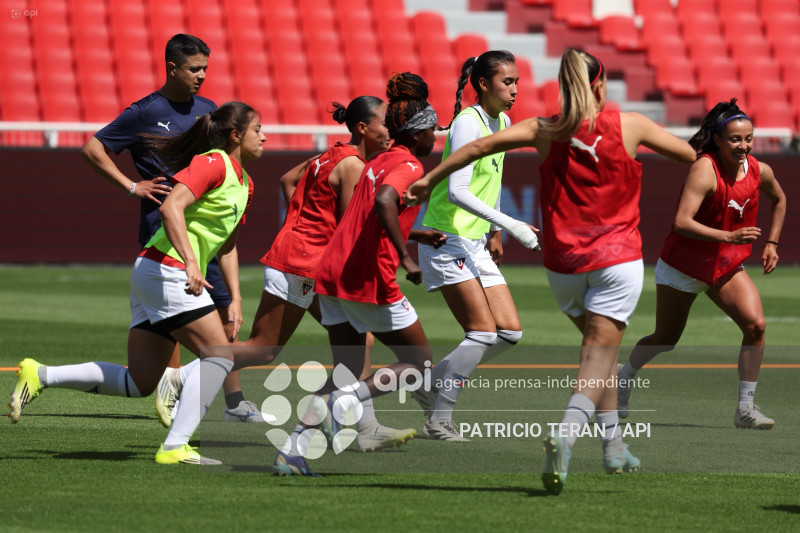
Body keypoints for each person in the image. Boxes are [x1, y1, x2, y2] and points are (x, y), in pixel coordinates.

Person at [405, 49, 697, 494]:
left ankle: (614, 444)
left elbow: (480, 150)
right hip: (614, 257)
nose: (516, 87)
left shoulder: (542, 127)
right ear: (600, 85)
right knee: (599, 355)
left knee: (595, 351)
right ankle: (568, 436)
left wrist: (430, 180)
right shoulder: (630, 123)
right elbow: (690, 155)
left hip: (563, 264)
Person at [10, 102, 265, 465]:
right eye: (258, 129)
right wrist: (192, 262)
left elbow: (227, 245)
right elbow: (170, 208)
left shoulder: (246, 183)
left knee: (141, 382)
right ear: (237, 136)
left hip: (155, 272)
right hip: (168, 270)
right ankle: (175, 445)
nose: (265, 136)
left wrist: (236, 297)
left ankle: (40, 374)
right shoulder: (212, 162)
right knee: (219, 356)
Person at [273, 72, 446, 476]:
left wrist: (415, 231)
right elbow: (387, 199)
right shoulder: (406, 162)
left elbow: (366, 211)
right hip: (368, 278)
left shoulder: (377, 160)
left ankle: (292, 451)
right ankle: (341, 405)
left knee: (347, 372)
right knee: (418, 366)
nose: (435, 139)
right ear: (416, 135)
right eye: (432, 132)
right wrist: (407, 256)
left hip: (330, 274)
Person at [164, 97, 391, 403]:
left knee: (341, 343)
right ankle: (182, 376)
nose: (392, 130)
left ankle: (358, 425)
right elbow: (353, 231)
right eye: (386, 122)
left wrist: (299, 224)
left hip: (302, 260)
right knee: (267, 347)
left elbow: (288, 180)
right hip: (304, 266)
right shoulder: (353, 165)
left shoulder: (332, 154)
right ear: (363, 128)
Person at [81, 33, 258, 425]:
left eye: (206, 69)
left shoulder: (209, 110)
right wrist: (132, 186)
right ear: (172, 68)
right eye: (195, 69)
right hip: (164, 230)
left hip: (204, 232)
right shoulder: (145, 111)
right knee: (173, 320)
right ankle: (171, 394)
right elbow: (93, 149)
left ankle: (234, 402)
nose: (201, 76)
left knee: (225, 309)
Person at [617, 99, 786, 430]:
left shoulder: (759, 170)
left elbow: (779, 200)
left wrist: (773, 243)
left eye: (748, 139)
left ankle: (745, 409)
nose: (743, 146)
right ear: (719, 140)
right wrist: (728, 235)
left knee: (756, 326)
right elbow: (681, 222)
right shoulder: (704, 168)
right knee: (666, 338)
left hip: (724, 267)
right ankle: (622, 380)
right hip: (684, 265)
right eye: (735, 139)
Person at [412, 50, 540, 441]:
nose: (515, 89)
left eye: (517, 81)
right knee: (482, 333)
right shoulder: (467, 124)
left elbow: (492, 182)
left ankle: (429, 382)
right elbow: (456, 191)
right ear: (483, 84)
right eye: (507, 82)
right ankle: (439, 419)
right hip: (445, 238)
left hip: (475, 241)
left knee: (509, 333)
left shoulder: (501, 119)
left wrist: (495, 231)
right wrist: (513, 224)